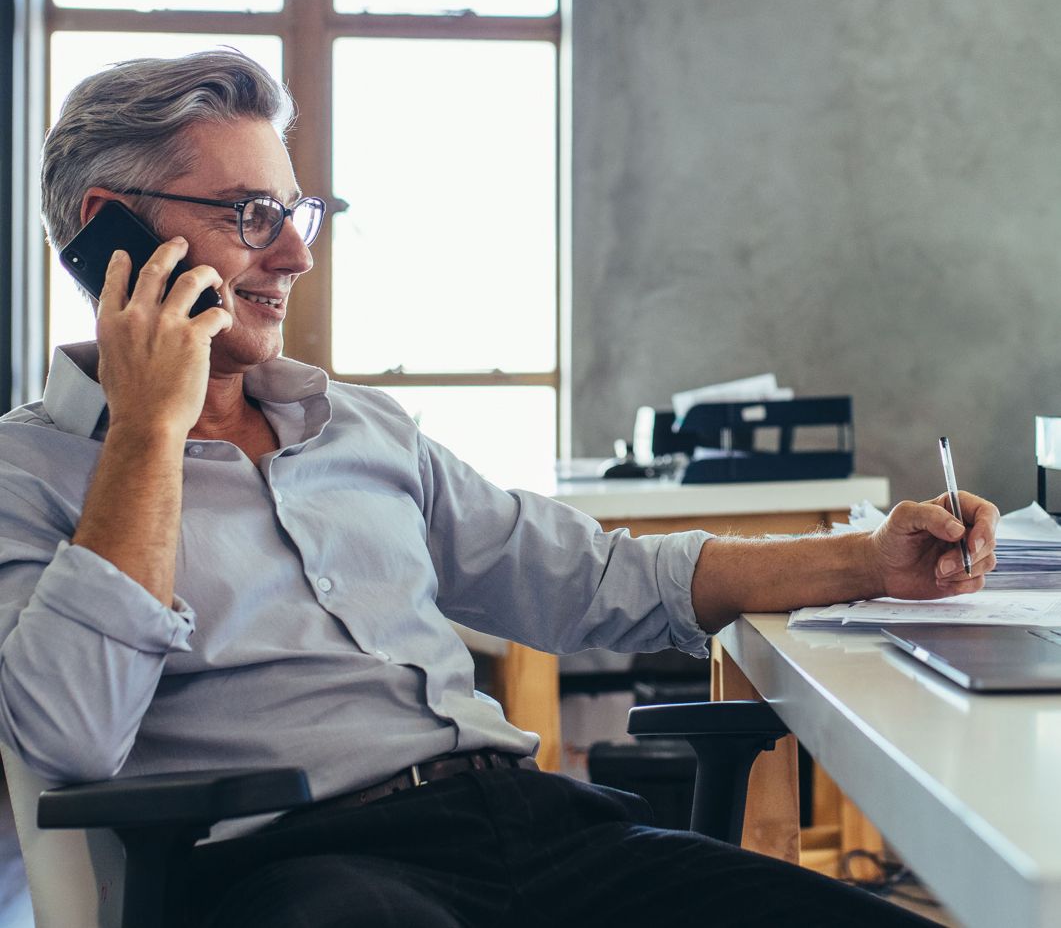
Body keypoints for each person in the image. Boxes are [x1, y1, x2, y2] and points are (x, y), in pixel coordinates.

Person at [0, 50, 997, 928]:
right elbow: (71, 734)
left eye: (295, 212)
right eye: (252, 214)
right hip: (309, 871)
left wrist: (867, 558)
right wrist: (145, 431)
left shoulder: (356, 427)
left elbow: (596, 578)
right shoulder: (27, 471)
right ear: (112, 229)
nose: (296, 253)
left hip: (537, 830)